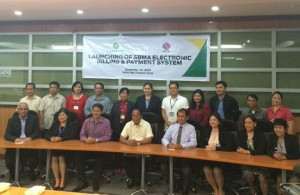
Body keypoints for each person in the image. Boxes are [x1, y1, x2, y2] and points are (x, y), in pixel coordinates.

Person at [72, 103, 112, 192]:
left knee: (100, 159)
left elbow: (108, 136)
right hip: (88, 147)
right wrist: (85, 139)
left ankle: (96, 181)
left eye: (98, 111)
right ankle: (83, 181)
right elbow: (82, 135)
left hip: (100, 148)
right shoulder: (87, 121)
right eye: (94, 111)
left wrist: (96, 140)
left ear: (101, 112)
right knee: (78, 157)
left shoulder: (106, 122)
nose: (95, 113)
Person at [161, 108, 197, 194]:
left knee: (186, 170)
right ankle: (175, 184)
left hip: (185, 154)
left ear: (187, 117)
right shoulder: (172, 127)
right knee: (163, 167)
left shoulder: (191, 128)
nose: (180, 118)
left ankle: (185, 187)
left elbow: (194, 142)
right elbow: (164, 139)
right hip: (172, 154)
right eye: (179, 116)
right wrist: (168, 144)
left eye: (182, 116)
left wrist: (181, 146)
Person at [199, 113, 235, 195]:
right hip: (208, 158)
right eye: (211, 120)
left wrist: (216, 148)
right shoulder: (207, 131)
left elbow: (230, 147)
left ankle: (221, 189)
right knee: (206, 169)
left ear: (219, 121)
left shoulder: (225, 132)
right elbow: (200, 145)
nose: (212, 121)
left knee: (216, 170)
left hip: (221, 159)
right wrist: (206, 146)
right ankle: (215, 189)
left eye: (214, 120)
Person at [4, 102, 40, 182]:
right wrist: (15, 139)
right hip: (16, 144)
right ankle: (13, 175)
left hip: (29, 144)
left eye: (25, 109)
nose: (23, 111)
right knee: (9, 160)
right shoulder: (12, 120)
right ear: (17, 110)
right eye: (21, 109)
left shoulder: (33, 119)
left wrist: (30, 137)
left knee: (33, 158)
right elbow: (7, 134)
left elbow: (37, 132)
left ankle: (32, 173)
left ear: (28, 110)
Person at [45, 108, 78, 190]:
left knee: (61, 157)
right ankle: (57, 179)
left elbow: (73, 136)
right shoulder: (56, 123)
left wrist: (61, 138)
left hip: (67, 148)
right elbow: (47, 134)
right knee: (54, 157)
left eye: (63, 115)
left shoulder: (72, 124)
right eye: (59, 115)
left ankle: (63, 179)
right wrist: (51, 138)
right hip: (55, 146)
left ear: (67, 116)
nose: (61, 117)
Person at [119, 108, 153, 189]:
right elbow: (121, 138)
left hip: (143, 150)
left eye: (137, 116)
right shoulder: (128, 124)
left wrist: (138, 143)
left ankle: (137, 179)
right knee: (127, 157)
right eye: (133, 116)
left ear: (141, 116)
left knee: (137, 158)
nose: (135, 118)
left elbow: (149, 139)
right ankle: (131, 178)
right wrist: (128, 142)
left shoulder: (146, 124)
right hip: (130, 149)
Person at [236, 114, 268, 195]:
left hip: (260, 164)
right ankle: (253, 191)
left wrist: (247, 152)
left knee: (262, 178)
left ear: (255, 124)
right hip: (246, 163)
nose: (247, 125)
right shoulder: (240, 134)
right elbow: (238, 148)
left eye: (250, 123)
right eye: (245, 123)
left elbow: (262, 150)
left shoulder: (261, 135)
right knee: (249, 176)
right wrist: (247, 152)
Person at [267, 118, 300, 195]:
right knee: (279, 181)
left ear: (285, 129)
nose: (278, 130)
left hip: (292, 169)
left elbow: (297, 154)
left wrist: (284, 157)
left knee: (291, 183)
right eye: (276, 127)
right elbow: (268, 150)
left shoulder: (292, 138)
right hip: (279, 168)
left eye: (280, 127)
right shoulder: (272, 137)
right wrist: (274, 155)